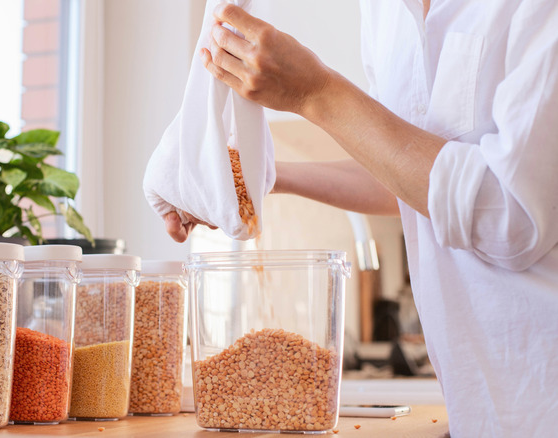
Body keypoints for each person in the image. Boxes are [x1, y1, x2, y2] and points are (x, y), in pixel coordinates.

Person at [162, 1, 558, 437]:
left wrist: (316, 93)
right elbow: (407, 178)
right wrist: (260, 177)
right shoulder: (383, 11)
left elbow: (511, 213)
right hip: (479, 412)